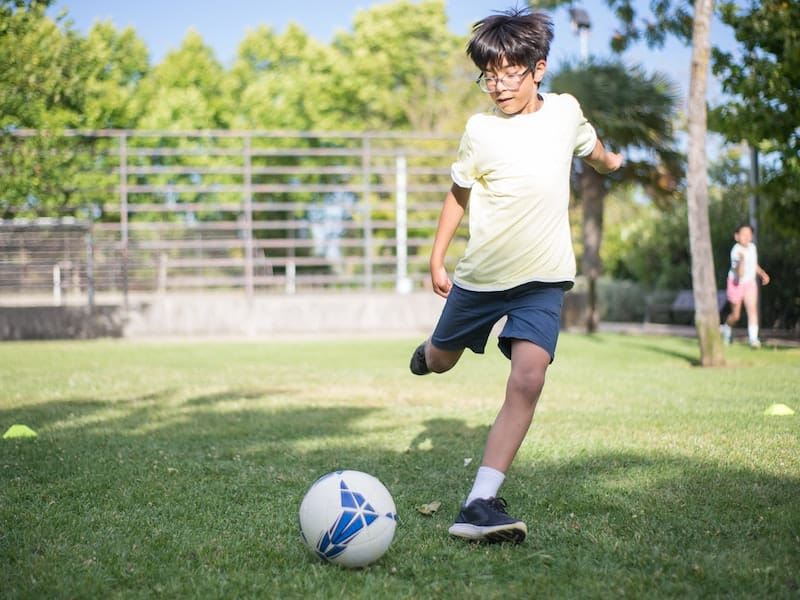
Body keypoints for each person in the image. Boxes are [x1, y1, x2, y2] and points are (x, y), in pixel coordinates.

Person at [409, 8, 622, 543]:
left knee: (529, 378)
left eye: (509, 74)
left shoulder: (566, 112)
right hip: (481, 279)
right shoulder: (480, 130)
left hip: (544, 279)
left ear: (538, 69)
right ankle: (433, 349)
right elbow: (458, 193)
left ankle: (480, 500)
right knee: (440, 360)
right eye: (489, 76)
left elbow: (590, 149)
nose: (498, 86)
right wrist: (438, 259)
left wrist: (612, 162)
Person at [720, 223, 770, 348]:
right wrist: (742, 260)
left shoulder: (752, 247)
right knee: (736, 316)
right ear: (737, 236)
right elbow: (740, 274)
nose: (747, 237)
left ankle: (753, 339)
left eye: (749, 234)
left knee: (752, 310)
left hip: (749, 283)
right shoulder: (735, 252)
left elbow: (753, 264)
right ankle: (727, 327)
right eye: (744, 234)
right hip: (736, 283)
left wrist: (762, 273)